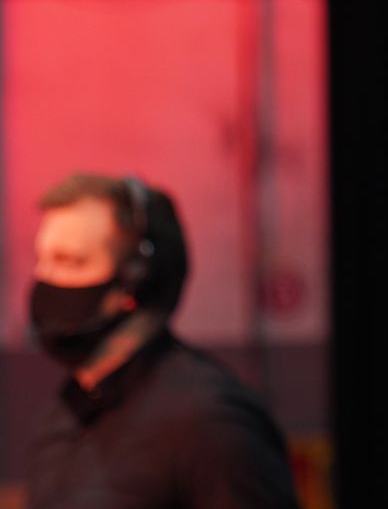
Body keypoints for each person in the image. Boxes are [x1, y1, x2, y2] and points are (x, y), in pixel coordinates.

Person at [26, 173, 299, 508]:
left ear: (135, 281)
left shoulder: (209, 423)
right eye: (41, 260)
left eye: (69, 262)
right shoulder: (63, 416)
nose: (45, 279)